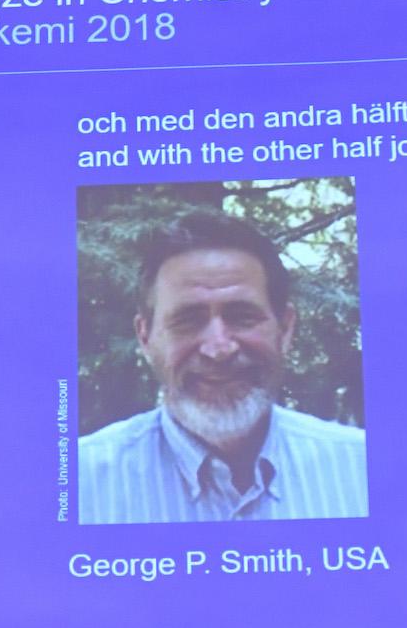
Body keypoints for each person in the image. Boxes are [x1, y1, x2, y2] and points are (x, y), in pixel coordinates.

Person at [79, 210, 367, 524]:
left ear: (285, 329)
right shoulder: (80, 485)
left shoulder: (360, 470)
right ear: (145, 338)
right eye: (187, 321)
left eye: (242, 317)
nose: (218, 349)